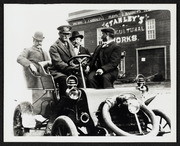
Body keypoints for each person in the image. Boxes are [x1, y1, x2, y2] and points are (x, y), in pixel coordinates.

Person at [49, 25, 84, 97]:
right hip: (59, 72)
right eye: (64, 34)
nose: (66, 36)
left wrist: (81, 62)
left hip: (69, 70)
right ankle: (64, 102)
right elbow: (58, 63)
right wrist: (71, 67)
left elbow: (74, 57)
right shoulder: (54, 47)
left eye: (67, 34)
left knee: (83, 79)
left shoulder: (69, 44)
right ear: (59, 34)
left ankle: (80, 100)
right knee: (66, 81)